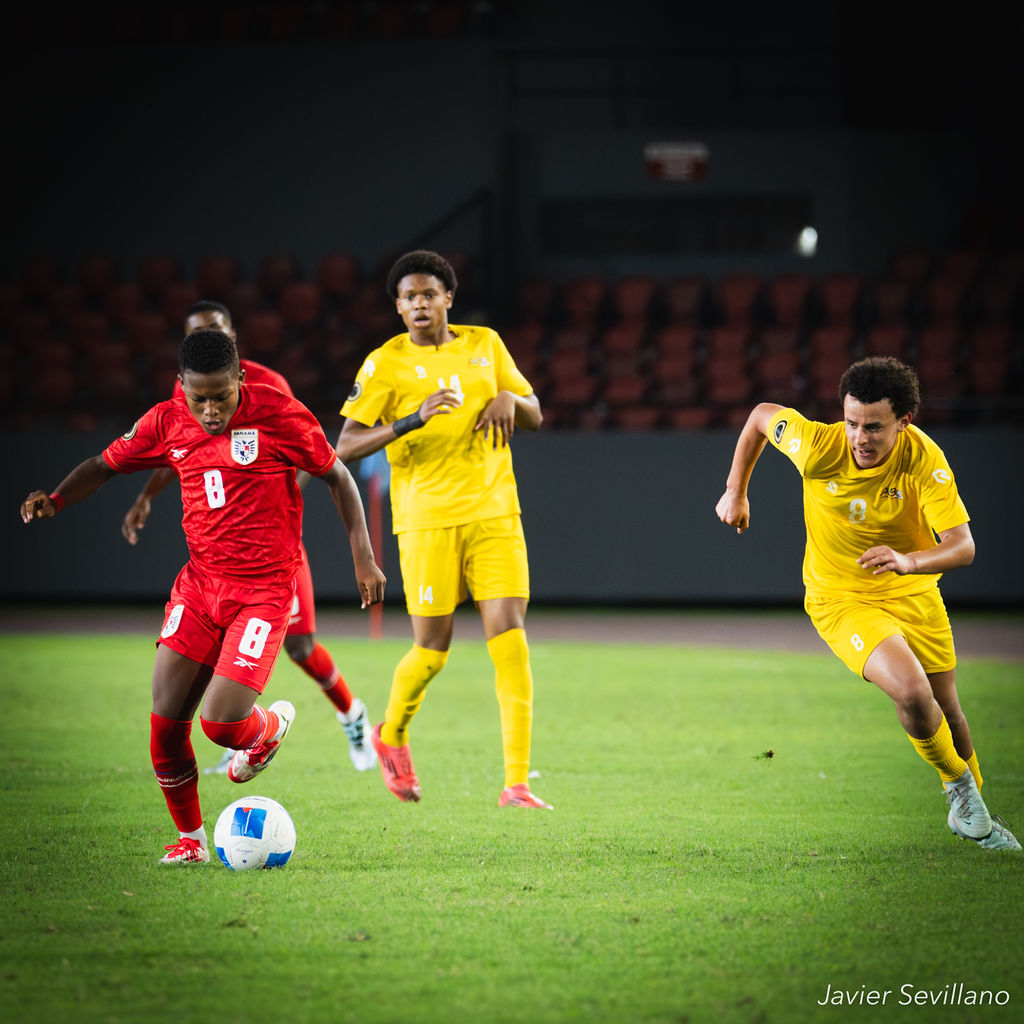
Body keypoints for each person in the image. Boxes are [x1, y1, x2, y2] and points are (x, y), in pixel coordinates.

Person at [21, 329, 386, 863]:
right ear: (182, 388)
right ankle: (190, 841)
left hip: (263, 591)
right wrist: (55, 499)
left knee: (219, 726)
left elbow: (338, 476)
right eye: (199, 398)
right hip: (199, 585)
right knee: (165, 725)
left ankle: (268, 727)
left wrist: (363, 555)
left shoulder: (279, 414)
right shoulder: (166, 420)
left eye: (222, 395)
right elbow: (103, 465)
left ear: (241, 378)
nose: (211, 409)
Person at [715, 355, 1020, 851]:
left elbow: (962, 547)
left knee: (949, 710)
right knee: (912, 691)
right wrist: (736, 491)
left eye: (874, 427)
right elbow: (759, 416)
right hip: (841, 597)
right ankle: (963, 795)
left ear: (904, 420)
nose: (860, 438)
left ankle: (974, 813)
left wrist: (908, 562)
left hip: (914, 591)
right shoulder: (817, 445)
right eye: (852, 422)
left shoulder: (923, 458)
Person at [334, 249, 551, 809]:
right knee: (432, 650)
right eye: (408, 297)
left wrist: (508, 396)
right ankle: (392, 734)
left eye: (429, 293)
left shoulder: (486, 344)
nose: (419, 304)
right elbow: (347, 446)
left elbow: (534, 412)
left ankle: (517, 784)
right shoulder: (385, 364)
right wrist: (412, 418)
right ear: (399, 308)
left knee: (511, 642)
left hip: (495, 513)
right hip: (426, 520)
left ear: (448, 298)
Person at [122, 301, 378, 774]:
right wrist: (147, 495)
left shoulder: (268, 388)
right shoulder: (191, 394)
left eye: (215, 330)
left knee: (300, 647)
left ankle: (352, 715)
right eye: (195, 333)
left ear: (233, 335)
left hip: (274, 555)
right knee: (214, 644)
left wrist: (272, 513)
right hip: (221, 567)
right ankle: (235, 733)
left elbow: (305, 453)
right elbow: (177, 451)